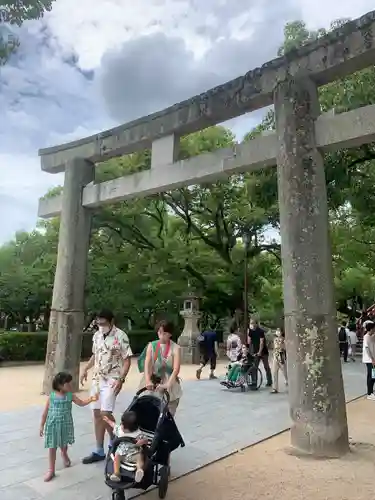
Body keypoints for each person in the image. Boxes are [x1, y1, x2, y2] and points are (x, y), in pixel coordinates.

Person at [80, 309, 133, 464]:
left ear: (111, 321)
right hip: (97, 379)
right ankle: (99, 450)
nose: (100, 326)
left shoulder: (120, 336)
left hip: (113, 378)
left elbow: (127, 359)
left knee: (105, 412)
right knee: (96, 413)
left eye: (103, 323)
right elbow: (95, 355)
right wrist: (85, 369)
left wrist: (121, 379)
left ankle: (114, 438)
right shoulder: (97, 335)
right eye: (98, 323)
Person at [40, 372, 98, 482]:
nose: (71, 386)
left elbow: (81, 403)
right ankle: (51, 470)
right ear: (60, 385)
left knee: (64, 443)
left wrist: (91, 399)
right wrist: (42, 425)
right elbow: (45, 412)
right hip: (52, 425)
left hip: (65, 424)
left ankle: (64, 453)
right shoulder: (51, 396)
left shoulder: (70, 396)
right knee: (52, 447)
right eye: (68, 384)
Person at [142, 320, 182, 416]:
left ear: (170, 334)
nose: (161, 335)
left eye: (164, 332)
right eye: (159, 332)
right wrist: (147, 380)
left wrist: (168, 384)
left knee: (168, 415)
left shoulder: (175, 348)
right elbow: (147, 364)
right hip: (153, 380)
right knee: (150, 414)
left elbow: (176, 369)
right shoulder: (152, 345)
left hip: (170, 382)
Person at [103, 411, 148, 483]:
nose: (121, 425)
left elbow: (146, 440)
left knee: (138, 457)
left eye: (122, 424)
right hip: (129, 454)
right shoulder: (137, 433)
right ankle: (118, 473)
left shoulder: (122, 431)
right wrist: (108, 421)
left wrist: (142, 442)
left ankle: (138, 471)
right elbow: (114, 425)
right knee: (136, 457)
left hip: (127, 454)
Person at [247, 319, 272, 389]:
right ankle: (254, 383)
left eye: (252, 323)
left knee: (266, 366)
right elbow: (249, 341)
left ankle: (269, 381)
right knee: (254, 367)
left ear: (256, 324)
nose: (251, 324)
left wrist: (259, 352)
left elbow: (262, 342)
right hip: (255, 351)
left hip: (263, 352)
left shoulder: (260, 331)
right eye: (250, 323)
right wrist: (249, 350)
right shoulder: (250, 331)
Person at [270, 327, 288, 394]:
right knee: (274, 372)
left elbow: (285, 348)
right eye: (277, 331)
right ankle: (275, 388)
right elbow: (274, 348)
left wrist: (281, 346)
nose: (277, 332)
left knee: (284, 371)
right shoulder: (275, 339)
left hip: (281, 356)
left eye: (279, 331)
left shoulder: (284, 339)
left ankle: (287, 381)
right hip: (276, 356)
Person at [362, 321, 375, 400]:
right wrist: (372, 359)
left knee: (372, 376)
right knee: (372, 376)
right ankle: (369, 393)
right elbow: (367, 349)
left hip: (372, 359)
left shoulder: (371, 336)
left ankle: (370, 392)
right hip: (369, 360)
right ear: (371, 329)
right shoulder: (366, 337)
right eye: (374, 328)